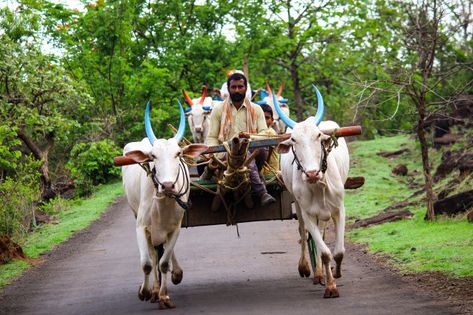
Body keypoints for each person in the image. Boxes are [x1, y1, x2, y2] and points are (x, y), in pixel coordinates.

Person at [207, 72, 276, 207]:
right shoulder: (218, 110)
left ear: (246, 88)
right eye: (234, 87)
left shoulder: (256, 109)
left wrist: (248, 137)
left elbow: (265, 133)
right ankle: (262, 192)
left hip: (254, 156)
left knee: (250, 150)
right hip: (226, 156)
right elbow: (212, 137)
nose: (237, 90)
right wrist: (216, 155)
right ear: (229, 89)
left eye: (240, 86)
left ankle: (257, 186)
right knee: (241, 153)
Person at [259, 104, 280, 176]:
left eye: (267, 118)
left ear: (272, 121)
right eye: (262, 118)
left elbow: (266, 158)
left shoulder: (271, 132)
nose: (264, 121)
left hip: (269, 172)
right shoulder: (256, 132)